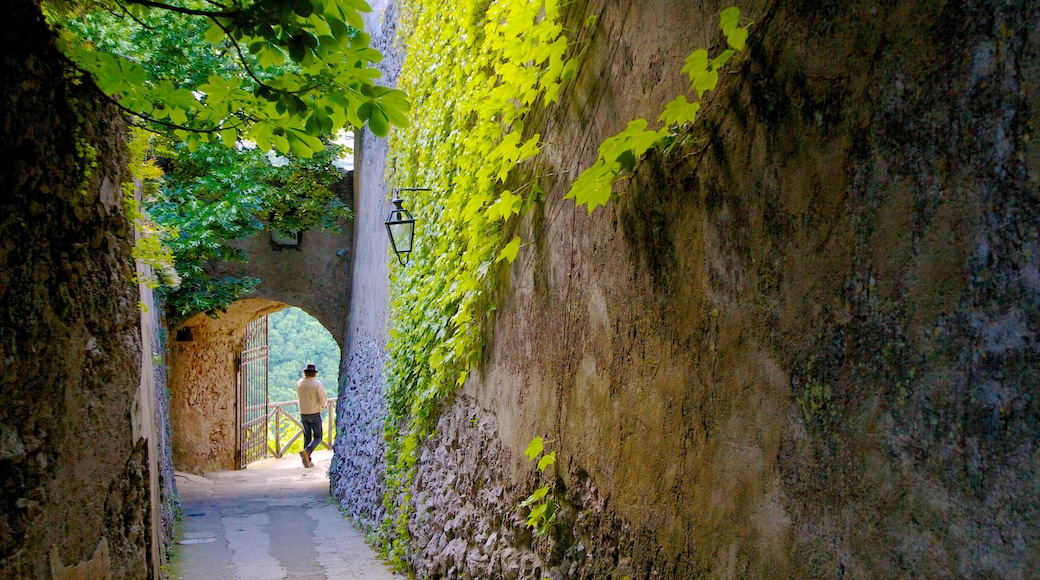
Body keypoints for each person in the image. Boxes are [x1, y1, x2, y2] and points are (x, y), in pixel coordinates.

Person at [296, 363, 328, 468]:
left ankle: (307, 460)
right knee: (318, 436)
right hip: (314, 412)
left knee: (307, 436)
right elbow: (322, 397)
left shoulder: (300, 383)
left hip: (303, 412)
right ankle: (307, 451)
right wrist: (323, 405)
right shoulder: (316, 383)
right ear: (314, 373)